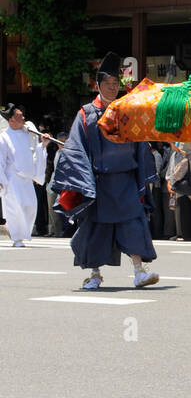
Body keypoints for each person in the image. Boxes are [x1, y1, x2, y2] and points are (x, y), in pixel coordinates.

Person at [52, 53, 159, 290]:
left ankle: (139, 271)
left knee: (133, 224)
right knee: (95, 230)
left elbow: (140, 141)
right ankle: (95, 274)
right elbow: (76, 147)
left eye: (115, 84)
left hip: (126, 180)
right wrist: (82, 176)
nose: (112, 88)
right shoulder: (85, 113)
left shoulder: (126, 109)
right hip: (99, 182)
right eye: (107, 84)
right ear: (98, 85)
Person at [0, 104, 50, 246]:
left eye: (22, 115)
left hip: (26, 179)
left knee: (30, 206)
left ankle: (15, 230)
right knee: (16, 208)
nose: (23, 118)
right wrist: (1, 179)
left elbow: (35, 151)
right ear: (11, 120)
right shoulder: (3, 137)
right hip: (12, 179)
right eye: (19, 116)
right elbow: (0, 161)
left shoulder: (27, 133)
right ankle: (17, 237)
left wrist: (43, 144)